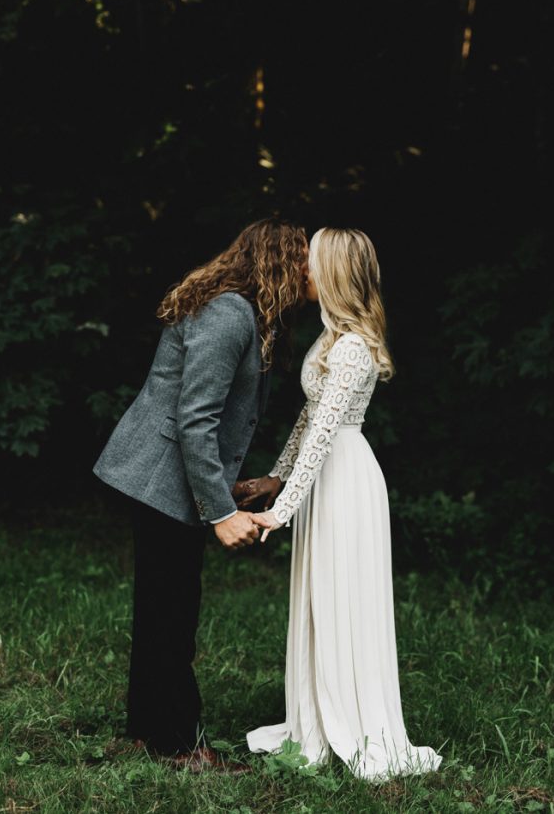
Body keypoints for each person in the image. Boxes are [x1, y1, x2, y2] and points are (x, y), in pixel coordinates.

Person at [92, 219, 308, 773]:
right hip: (162, 476)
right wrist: (222, 513)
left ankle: (147, 733)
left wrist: (222, 485)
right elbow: (194, 419)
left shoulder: (243, 311)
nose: (314, 271)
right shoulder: (230, 312)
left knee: (161, 607)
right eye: (305, 260)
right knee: (172, 613)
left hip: (170, 476)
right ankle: (183, 745)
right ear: (280, 264)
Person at [237, 227, 443, 782]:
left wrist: (279, 515)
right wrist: (275, 479)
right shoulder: (329, 341)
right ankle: (313, 718)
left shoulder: (351, 347)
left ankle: (352, 720)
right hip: (320, 475)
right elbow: (308, 419)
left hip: (345, 479)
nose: (302, 270)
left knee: (341, 592)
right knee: (318, 595)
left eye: (311, 262)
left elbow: (327, 433)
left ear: (332, 273)